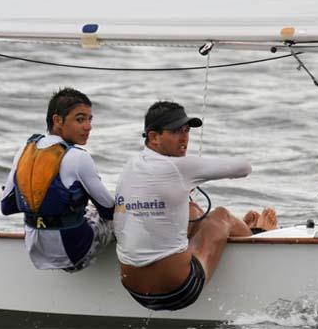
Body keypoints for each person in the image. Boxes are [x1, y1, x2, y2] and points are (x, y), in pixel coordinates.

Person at [114, 101, 277, 311]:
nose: (184, 138)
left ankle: (241, 230)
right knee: (221, 215)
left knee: (193, 211)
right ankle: (258, 233)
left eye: (186, 130)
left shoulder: (130, 165)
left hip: (133, 290)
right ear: (153, 137)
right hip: (178, 291)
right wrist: (199, 167)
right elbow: (244, 168)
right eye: (175, 131)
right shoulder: (180, 167)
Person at [1, 88, 114, 272]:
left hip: (35, 252)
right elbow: (109, 211)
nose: (88, 126)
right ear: (57, 120)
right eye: (80, 119)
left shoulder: (25, 150)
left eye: (89, 119)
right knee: (120, 212)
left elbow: (6, 207)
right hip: (73, 256)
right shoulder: (78, 157)